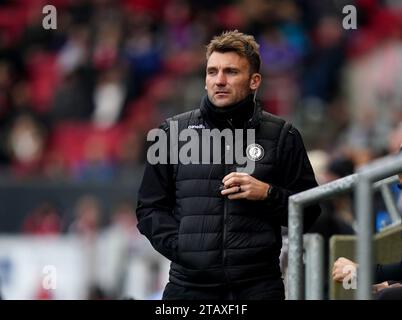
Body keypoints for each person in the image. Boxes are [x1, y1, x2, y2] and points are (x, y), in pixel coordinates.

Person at [136, 30, 321, 300]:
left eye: (231, 72)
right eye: (212, 72)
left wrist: (268, 194)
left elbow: (310, 212)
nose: (219, 81)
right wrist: (184, 248)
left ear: (254, 80)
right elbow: (149, 208)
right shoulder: (171, 133)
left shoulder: (284, 136)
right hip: (188, 288)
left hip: (258, 287)